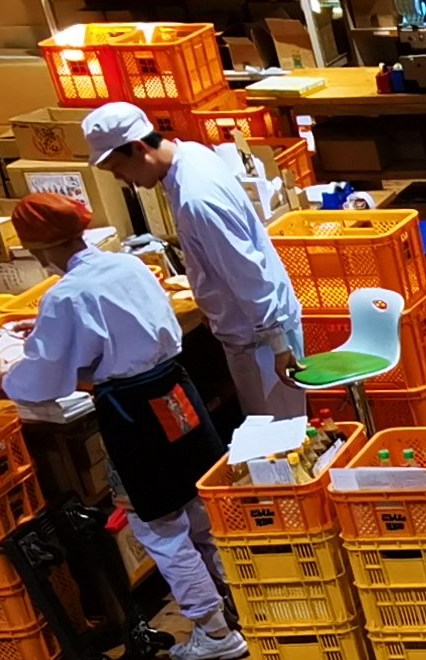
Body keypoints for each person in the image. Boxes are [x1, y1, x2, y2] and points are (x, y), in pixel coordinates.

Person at [0, 192, 244, 660]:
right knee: (198, 511)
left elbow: (40, 381)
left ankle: (215, 634)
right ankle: (242, 606)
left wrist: (6, 373)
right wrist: (52, 330)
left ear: (36, 249)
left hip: (133, 411)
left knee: (159, 527)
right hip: (177, 394)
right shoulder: (128, 266)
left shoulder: (65, 296)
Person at [84, 101, 304, 425]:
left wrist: (277, 341)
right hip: (256, 332)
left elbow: (245, 270)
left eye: (118, 167)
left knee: (280, 443)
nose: (120, 178)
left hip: (262, 340)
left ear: (138, 147)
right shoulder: (192, 155)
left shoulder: (197, 197)